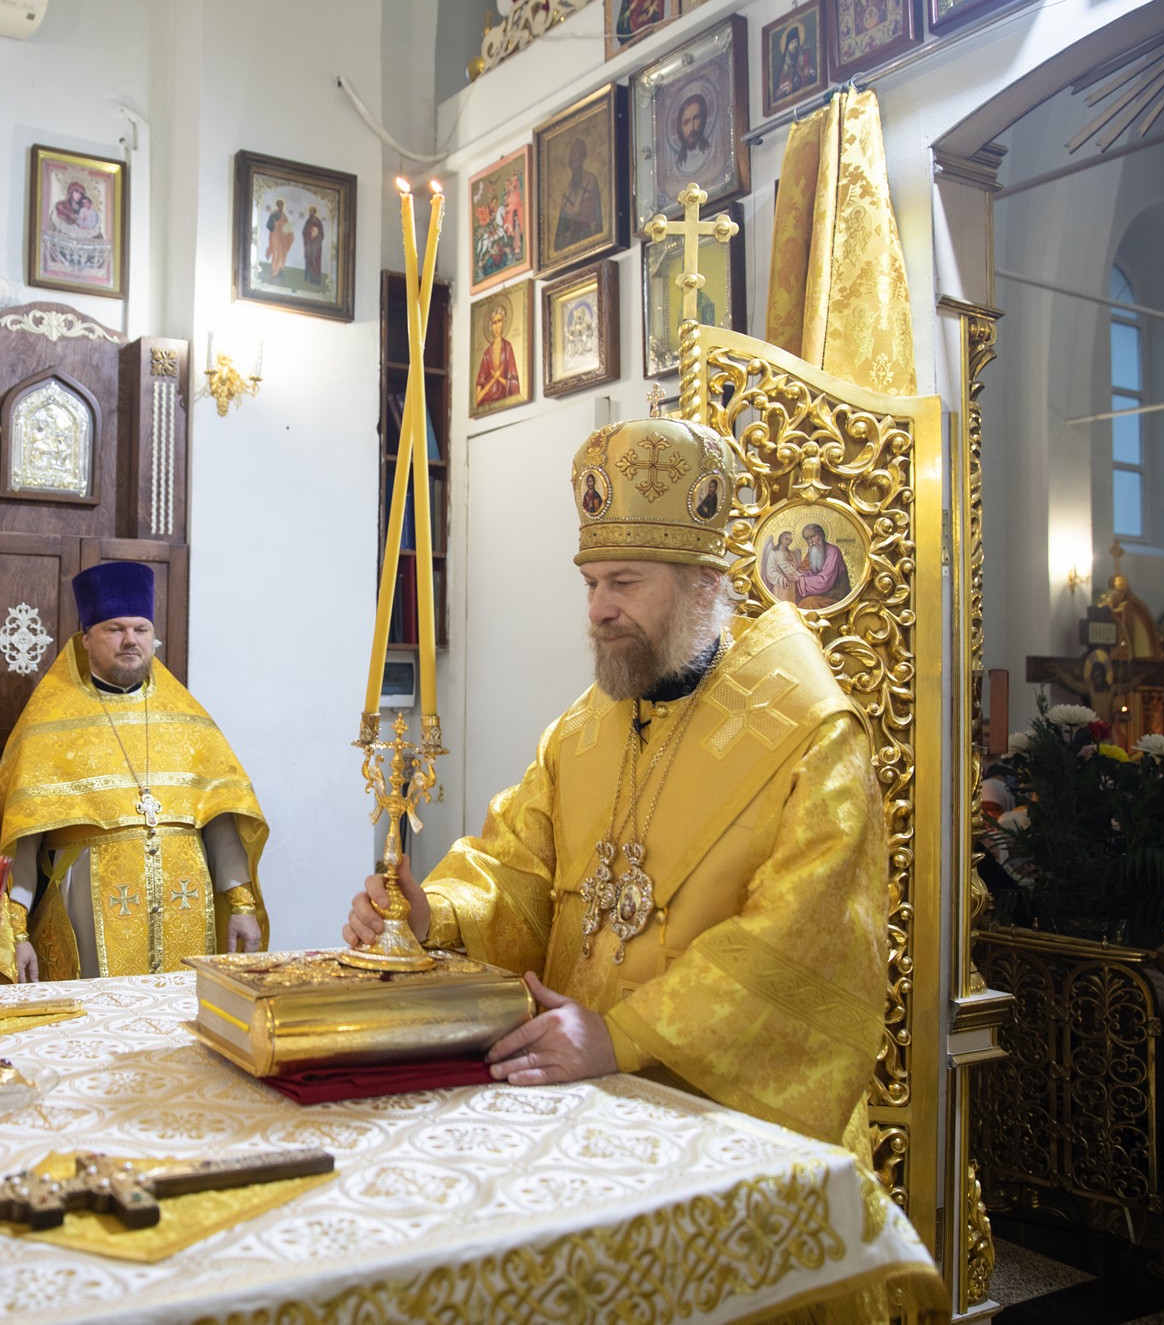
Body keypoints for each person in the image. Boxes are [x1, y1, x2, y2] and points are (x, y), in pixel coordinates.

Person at [342, 416, 887, 1152]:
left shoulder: (809, 735)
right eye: (592, 583)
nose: (598, 609)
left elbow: (799, 947)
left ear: (704, 584)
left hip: (725, 1128)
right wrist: (432, 917)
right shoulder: (580, 734)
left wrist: (620, 1036)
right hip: (570, 1101)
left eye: (625, 582)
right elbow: (515, 874)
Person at [0, 562, 267, 981]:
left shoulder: (188, 718)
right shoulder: (48, 721)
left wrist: (242, 905)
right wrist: (16, 931)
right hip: (88, 910)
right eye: (114, 629)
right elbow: (22, 839)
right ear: (86, 638)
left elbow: (219, 821)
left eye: (141, 629)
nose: (130, 640)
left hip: (187, 905)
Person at [552, 137, 602, 250]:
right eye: (572, 159)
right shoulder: (567, 194)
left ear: (582, 159)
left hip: (589, 239)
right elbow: (560, 235)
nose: (574, 162)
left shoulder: (591, 181)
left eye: (577, 158)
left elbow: (598, 221)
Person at [474, 302, 522, 409]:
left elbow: (514, 383)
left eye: (499, 321)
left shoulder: (508, 348)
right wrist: (494, 379)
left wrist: (498, 378)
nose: (497, 326)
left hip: (504, 398)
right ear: (490, 326)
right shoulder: (487, 354)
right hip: (488, 400)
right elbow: (479, 390)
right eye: (494, 323)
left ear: (504, 323)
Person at [795, 522, 851, 606]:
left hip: (835, 595)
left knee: (806, 604)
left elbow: (825, 581)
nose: (810, 541)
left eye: (813, 536)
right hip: (820, 592)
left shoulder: (833, 551)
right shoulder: (812, 552)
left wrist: (801, 580)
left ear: (821, 535)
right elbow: (810, 572)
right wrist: (798, 573)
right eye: (807, 539)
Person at [265, 198, 294, 279]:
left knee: (282, 254)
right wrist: (274, 224)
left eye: (282, 205)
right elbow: (269, 225)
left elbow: (287, 226)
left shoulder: (284, 216)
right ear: (277, 205)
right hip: (275, 236)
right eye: (279, 205)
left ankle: (281, 270)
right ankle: (275, 271)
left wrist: (289, 232)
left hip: (283, 237)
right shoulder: (274, 213)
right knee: (276, 253)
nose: (281, 206)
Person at [302, 204, 327, 287]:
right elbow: (304, 232)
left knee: (315, 262)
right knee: (309, 260)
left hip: (316, 247)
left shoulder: (318, 222)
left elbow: (322, 235)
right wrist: (309, 233)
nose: (311, 213)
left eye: (312, 211)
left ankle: (315, 280)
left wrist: (316, 235)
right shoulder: (308, 221)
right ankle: (308, 279)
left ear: (315, 212)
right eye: (310, 211)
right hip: (309, 246)